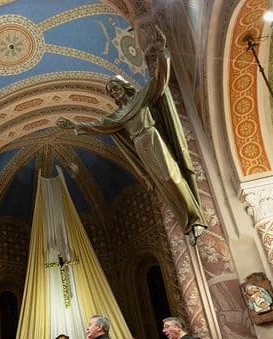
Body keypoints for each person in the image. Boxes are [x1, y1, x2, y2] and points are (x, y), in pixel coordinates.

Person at [56, 27, 206, 241]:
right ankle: (187, 222)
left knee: (171, 176)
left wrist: (162, 52)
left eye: (115, 87)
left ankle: (195, 217)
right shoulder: (118, 115)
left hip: (152, 137)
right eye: (110, 91)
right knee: (162, 183)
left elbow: (160, 80)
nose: (113, 92)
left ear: (123, 86)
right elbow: (98, 125)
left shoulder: (140, 98)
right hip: (140, 144)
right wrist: (74, 126)